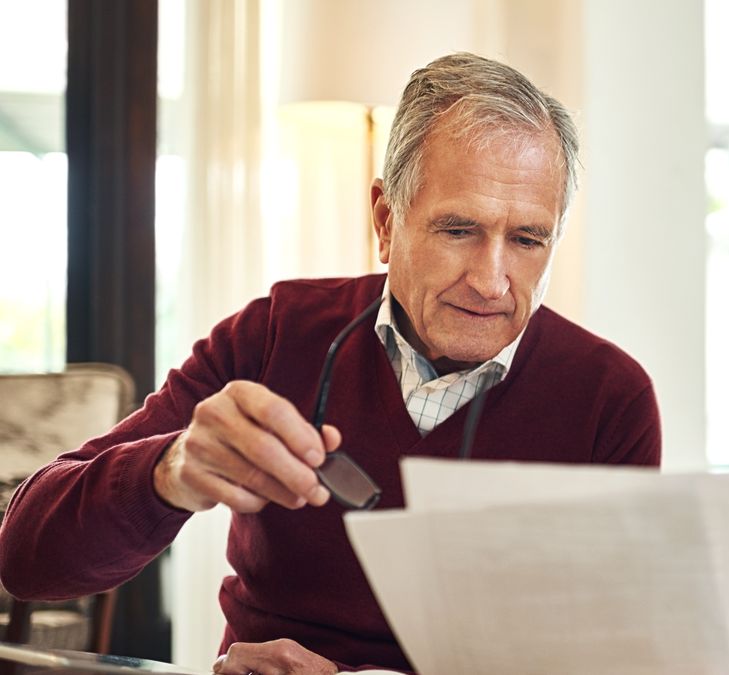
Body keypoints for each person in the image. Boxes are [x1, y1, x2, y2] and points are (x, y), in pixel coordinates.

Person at [0, 52, 661, 673]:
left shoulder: (610, 398)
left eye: (526, 240)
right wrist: (168, 470)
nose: (491, 281)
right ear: (384, 219)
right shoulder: (275, 333)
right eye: (458, 230)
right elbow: (25, 558)